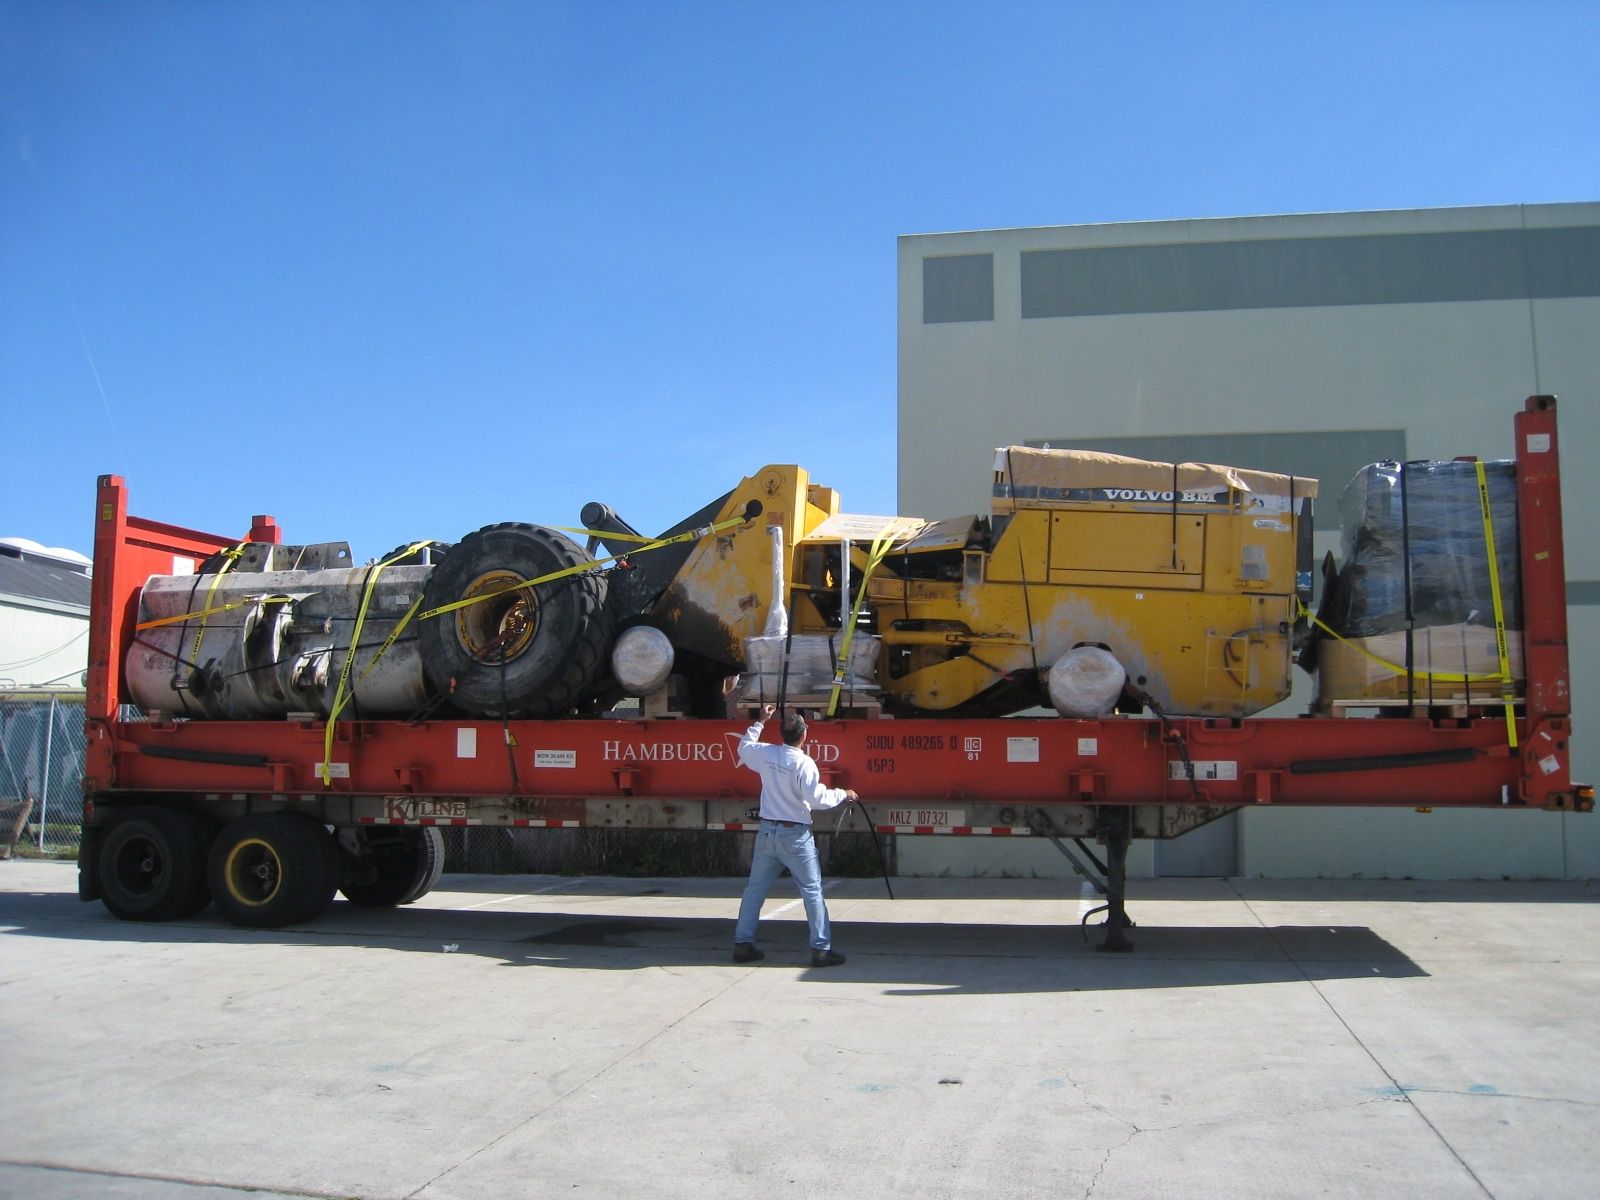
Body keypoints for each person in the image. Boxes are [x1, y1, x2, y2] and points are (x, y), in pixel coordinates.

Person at [732, 703, 858, 967]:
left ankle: (743, 944)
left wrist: (760, 721)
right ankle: (821, 949)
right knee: (811, 891)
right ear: (805, 735)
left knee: (754, 890)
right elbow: (818, 798)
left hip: (767, 832)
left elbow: (743, 747)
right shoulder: (804, 764)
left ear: (782, 734)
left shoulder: (767, 754)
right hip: (795, 835)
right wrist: (844, 794)